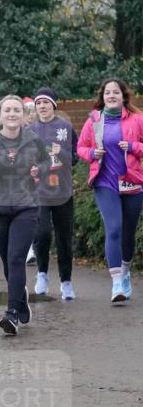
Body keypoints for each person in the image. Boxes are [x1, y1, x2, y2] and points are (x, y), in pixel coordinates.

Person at [0, 95, 49, 335]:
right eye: (8, 110)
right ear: (0, 114)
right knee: (8, 263)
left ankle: (12, 313)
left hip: (26, 207)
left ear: (23, 115)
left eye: (17, 110)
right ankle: (20, 298)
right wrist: (1, 164)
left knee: (16, 259)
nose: (12, 114)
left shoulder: (33, 140)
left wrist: (39, 170)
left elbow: (47, 163)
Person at [77, 78, 143, 303]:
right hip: (105, 182)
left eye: (115, 92)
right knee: (114, 229)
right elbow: (81, 148)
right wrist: (92, 154)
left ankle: (125, 272)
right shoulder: (95, 120)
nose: (111, 96)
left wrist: (133, 147)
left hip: (132, 181)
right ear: (102, 97)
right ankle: (116, 283)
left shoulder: (137, 119)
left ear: (123, 96)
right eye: (107, 93)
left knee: (128, 233)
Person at [29, 87, 78, 300]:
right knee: (42, 234)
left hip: (62, 191)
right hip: (38, 192)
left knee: (64, 238)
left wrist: (61, 154)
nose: (42, 106)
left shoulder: (65, 128)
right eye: (39, 103)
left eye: (46, 102)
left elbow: (76, 156)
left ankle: (66, 282)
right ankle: (42, 274)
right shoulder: (30, 130)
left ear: (53, 105)